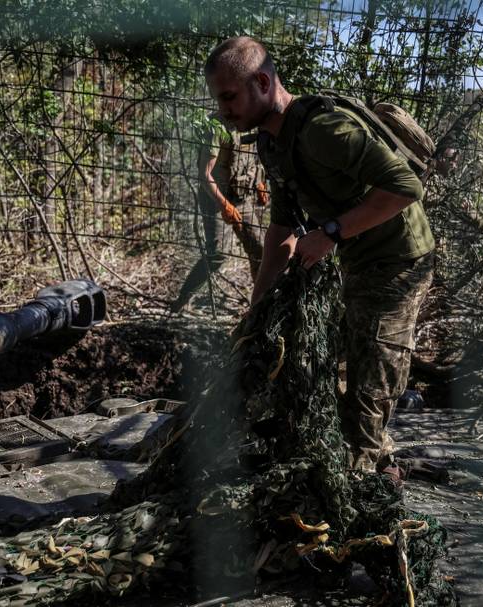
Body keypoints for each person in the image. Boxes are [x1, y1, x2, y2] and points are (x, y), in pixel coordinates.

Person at [204, 37, 435, 472]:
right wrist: (258, 309)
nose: (223, 110)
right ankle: (377, 460)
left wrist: (331, 232)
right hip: (357, 258)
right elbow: (282, 229)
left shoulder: (324, 132)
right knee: (320, 360)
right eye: (219, 99)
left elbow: (407, 188)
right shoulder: (272, 144)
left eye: (230, 97)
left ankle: (367, 481)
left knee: (371, 384)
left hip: (400, 259)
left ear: (263, 82)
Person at [170, 114, 268, 313]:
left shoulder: (253, 117)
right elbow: (204, 175)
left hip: (242, 197)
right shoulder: (217, 126)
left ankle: (260, 309)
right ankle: (180, 303)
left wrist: (260, 182)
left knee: (260, 250)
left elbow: (254, 155)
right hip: (215, 198)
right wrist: (224, 205)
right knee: (217, 255)